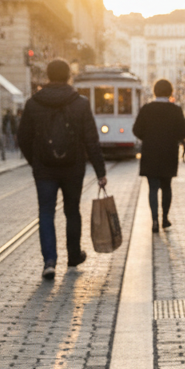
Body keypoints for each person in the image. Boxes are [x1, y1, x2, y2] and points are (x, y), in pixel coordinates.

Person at [18, 58, 108, 280]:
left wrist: (36, 161)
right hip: (73, 168)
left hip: (44, 170)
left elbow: (22, 137)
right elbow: (91, 139)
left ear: (48, 76)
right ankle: (74, 255)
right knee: (72, 211)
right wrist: (100, 172)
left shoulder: (33, 103)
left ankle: (49, 262)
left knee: (46, 212)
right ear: (69, 76)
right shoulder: (80, 103)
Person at [132, 79, 185, 233]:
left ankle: (155, 220)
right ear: (170, 92)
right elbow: (184, 131)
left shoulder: (147, 109)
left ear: (154, 91)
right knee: (166, 187)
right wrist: (172, 139)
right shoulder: (175, 110)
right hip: (169, 153)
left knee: (153, 188)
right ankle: (165, 218)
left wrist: (149, 138)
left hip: (150, 153)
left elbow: (136, 130)